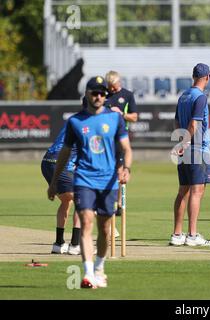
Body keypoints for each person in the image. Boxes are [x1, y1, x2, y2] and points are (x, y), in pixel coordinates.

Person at [48, 76, 132, 288]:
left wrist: (126, 169)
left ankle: (99, 267)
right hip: (84, 178)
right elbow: (65, 154)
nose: (98, 96)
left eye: (102, 93)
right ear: (86, 94)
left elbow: (126, 149)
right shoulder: (75, 121)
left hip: (108, 181)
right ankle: (87, 274)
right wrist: (54, 182)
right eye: (94, 92)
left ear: (105, 96)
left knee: (104, 229)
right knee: (86, 222)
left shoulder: (115, 119)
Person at [170, 63, 210, 247]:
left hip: (185, 149)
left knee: (183, 191)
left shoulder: (184, 95)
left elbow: (177, 121)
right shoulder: (200, 97)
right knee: (197, 191)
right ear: (207, 77)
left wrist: (180, 142)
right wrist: (186, 142)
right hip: (197, 148)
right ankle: (193, 235)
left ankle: (177, 234)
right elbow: (194, 124)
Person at [41, 124, 81, 255]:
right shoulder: (90, 125)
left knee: (66, 201)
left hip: (47, 162)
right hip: (59, 163)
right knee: (83, 200)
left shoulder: (75, 120)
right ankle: (75, 245)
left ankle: (58, 244)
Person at [105, 71, 138, 222]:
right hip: (105, 137)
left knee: (119, 169)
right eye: (109, 86)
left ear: (118, 83)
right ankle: (105, 200)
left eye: (113, 86)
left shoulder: (128, 95)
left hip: (120, 136)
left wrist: (120, 114)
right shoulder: (103, 95)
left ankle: (118, 204)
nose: (111, 89)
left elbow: (135, 117)